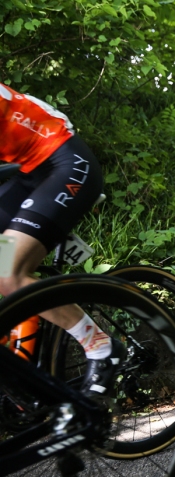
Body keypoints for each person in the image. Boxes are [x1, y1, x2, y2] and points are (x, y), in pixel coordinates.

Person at [0, 84, 125, 395]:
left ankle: (101, 347)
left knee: (6, 272)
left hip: (66, 163)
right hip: (29, 172)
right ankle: (21, 357)